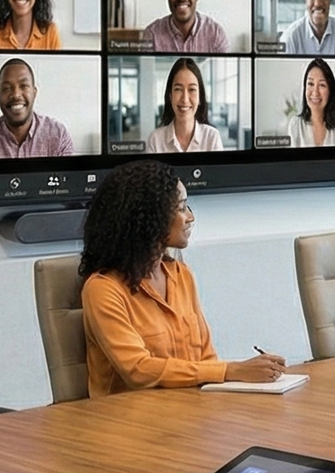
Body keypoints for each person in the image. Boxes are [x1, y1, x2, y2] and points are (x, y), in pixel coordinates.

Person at [77, 159, 285, 396]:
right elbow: (137, 370)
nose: (190, 217)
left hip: (189, 412)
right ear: (148, 217)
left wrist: (238, 378)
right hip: (127, 422)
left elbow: (206, 358)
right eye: (181, 207)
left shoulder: (181, 275)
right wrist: (231, 370)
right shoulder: (103, 289)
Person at [0, 58, 72, 159]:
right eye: (7, 88)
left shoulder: (58, 136)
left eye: (23, 86)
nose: (15, 94)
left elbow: (68, 179)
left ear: (34, 93)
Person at [142, 57, 223, 153]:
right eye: (178, 89)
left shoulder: (212, 137)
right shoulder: (155, 140)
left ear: (200, 97)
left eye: (192, 89)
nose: (185, 99)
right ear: (170, 96)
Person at [286, 58, 335, 148]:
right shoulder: (295, 126)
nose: (315, 92)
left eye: (322, 85)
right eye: (310, 84)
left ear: (330, 91)